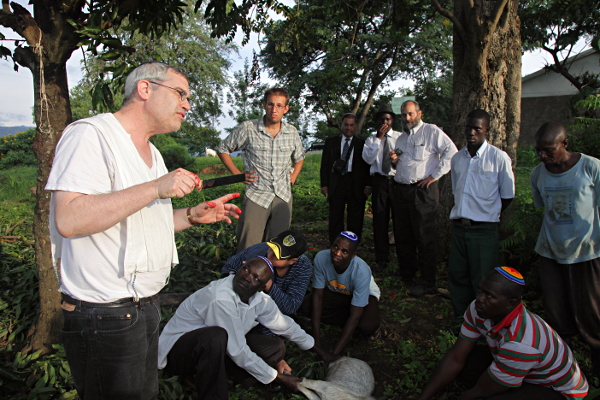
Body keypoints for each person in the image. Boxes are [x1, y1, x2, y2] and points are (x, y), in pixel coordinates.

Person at [45, 62, 242, 400]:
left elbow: (146, 220)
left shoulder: (152, 153)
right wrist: (154, 188)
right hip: (104, 314)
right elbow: (70, 219)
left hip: (143, 307)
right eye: (181, 93)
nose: (187, 105)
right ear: (145, 89)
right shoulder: (91, 135)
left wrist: (193, 216)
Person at [158, 257, 337, 399]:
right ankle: (207, 387)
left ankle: (235, 373)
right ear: (240, 267)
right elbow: (236, 349)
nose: (247, 277)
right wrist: (278, 377)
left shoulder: (259, 300)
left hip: (221, 348)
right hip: (180, 354)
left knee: (274, 347)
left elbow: (284, 325)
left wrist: (319, 351)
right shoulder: (221, 298)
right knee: (215, 336)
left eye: (256, 278)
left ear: (261, 287)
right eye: (246, 269)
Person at [416, 267, 588, 400]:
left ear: (510, 304)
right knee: (466, 363)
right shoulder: (477, 310)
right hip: (521, 368)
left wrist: (465, 397)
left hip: (556, 391)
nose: (480, 299)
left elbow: (483, 389)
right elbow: (456, 357)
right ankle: (507, 379)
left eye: (489, 296)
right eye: (480, 291)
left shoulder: (522, 342)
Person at [531, 121, 600, 377]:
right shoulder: (538, 173)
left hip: (587, 254)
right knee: (557, 318)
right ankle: (565, 373)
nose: (542, 156)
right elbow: (544, 209)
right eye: (539, 150)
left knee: (592, 318)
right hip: (550, 253)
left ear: (565, 144)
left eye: (548, 150)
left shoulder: (591, 168)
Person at [217, 88, 305, 252]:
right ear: (264, 105)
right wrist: (238, 175)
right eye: (271, 104)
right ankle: (244, 275)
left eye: (279, 105)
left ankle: (272, 277)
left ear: (286, 109)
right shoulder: (248, 128)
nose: (274, 109)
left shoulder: (291, 132)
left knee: (278, 248)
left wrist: (294, 175)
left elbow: (299, 157)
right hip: (257, 195)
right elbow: (223, 149)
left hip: (283, 195)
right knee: (248, 246)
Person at [448, 109, 515, 326]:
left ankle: (484, 326)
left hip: (483, 230)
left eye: (477, 128)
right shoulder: (457, 159)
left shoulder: (498, 158)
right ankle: (461, 321)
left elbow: (507, 196)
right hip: (459, 228)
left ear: (487, 130)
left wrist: (487, 214)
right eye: (469, 127)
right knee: (458, 277)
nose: (472, 132)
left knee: (483, 282)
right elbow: (455, 192)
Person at [390, 100, 457, 296]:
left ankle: (428, 282)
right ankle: (407, 274)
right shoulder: (401, 138)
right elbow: (399, 165)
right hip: (402, 190)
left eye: (410, 114)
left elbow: (451, 152)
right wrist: (393, 161)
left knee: (424, 237)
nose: (407, 118)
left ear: (420, 113)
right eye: (404, 115)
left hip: (422, 192)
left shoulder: (431, 132)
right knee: (403, 235)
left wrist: (434, 175)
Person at [300, 231, 381, 354]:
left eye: (344, 251)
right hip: (336, 292)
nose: (337, 253)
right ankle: (347, 321)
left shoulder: (361, 271)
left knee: (367, 326)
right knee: (306, 306)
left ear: (353, 255)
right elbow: (318, 296)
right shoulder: (322, 258)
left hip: (364, 296)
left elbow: (355, 315)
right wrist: (316, 341)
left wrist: (333, 354)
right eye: (335, 247)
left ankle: (356, 323)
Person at [221, 229, 311, 336]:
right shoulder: (256, 256)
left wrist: (268, 284)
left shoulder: (302, 267)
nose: (270, 254)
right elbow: (228, 268)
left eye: (277, 255)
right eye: (272, 247)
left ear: (292, 261)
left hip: (271, 313)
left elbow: (290, 306)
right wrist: (242, 275)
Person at [320, 113, 371, 244]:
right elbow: (324, 164)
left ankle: (352, 245)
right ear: (341, 125)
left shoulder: (363, 142)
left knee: (355, 217)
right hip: (337, 182)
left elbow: (368, 166)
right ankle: (335, 244)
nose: (348, 128)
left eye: (351, 125)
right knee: (335, 216)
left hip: (356, 184)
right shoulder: (331, 142)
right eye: (346, 125)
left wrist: (368, 185)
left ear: (356, 126)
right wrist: (324, 184)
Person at [361, 104, 401, 271]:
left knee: (400, 221)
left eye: (388, 119)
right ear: (377, 121)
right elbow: (368, 159)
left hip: (397, 181)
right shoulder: (371, 140)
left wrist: (395, 161)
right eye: (382, 119)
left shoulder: (400, 138)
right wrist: (379, 138)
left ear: (392, 121)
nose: (385, 122)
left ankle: (402, 258)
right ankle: (381, 259)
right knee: (380, 220)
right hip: (379, 182)